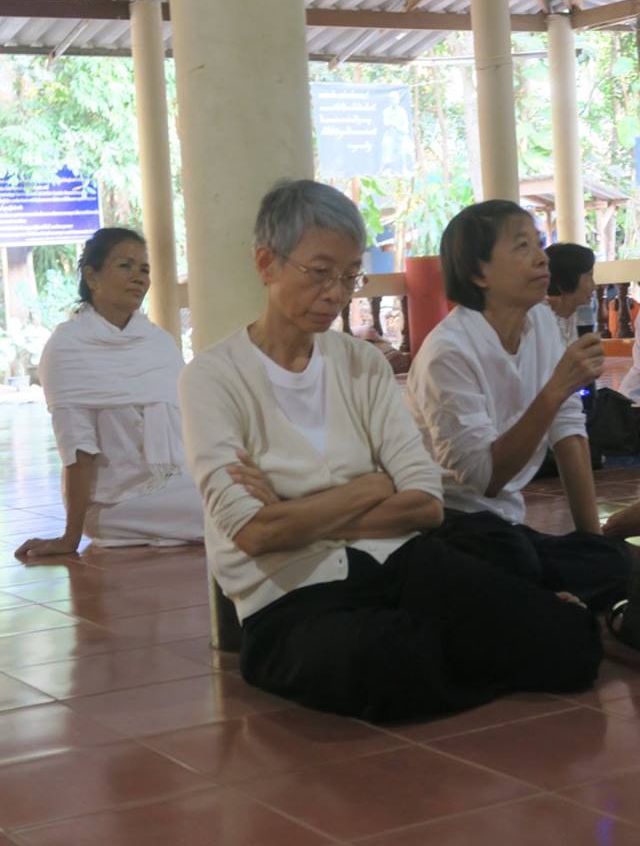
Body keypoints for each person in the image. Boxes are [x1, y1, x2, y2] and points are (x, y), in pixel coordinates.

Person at [179, 180, 601, 724]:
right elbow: (255, 534)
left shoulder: (362, 363)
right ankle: (474, 650)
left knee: (572, 643)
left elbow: (425, 502)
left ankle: (472, 647)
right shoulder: (211, 378)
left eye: (349, 275)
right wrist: (374, 485)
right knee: (392, 659)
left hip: (399, 560)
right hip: (291, 597)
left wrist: (292, 507)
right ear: (267, 263)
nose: (335, 293)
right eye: (319, 272)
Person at [406, 200, 632, 613]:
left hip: (505, 524)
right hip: (448, 522)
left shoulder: (540, 322)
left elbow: (568, 428)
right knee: (512, 556)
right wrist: (556, 389)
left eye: (539, 244)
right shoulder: (449, 352)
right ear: (479, 273)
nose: (542, 258)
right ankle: (544, 605)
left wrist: (592, 540)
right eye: (522, 246)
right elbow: (484, 480)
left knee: (615, 563)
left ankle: (543, 602)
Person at [15, 227, 203, 558]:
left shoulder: (158, 343)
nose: (138, 277)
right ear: (92, 277)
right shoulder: (67, 347)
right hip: (116, 503)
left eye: (144, 269)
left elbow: (189, 426)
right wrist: (70, 537)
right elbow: (77, 448)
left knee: (259, 484)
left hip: (177, 481)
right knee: (234, 507)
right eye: (125, 266)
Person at [545, 243, 596, 347]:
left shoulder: (578, 317)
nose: (594, 287)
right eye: (589, 276)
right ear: (566, 281)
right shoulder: (538, 321)